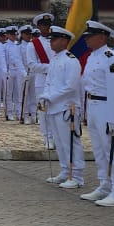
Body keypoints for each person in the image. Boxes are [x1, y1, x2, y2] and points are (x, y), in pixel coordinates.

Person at [78, 20, 114, 208]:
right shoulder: (92, 57)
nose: (87, 40)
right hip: (93, 105)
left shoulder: (111, 58)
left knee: (112, 150)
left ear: (101, 37)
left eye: (90, 36)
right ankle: (104, 185)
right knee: (99, 149)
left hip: (106, 106)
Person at [37, 26, 85, 189]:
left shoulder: (71, 60)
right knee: (59, 141)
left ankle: (77, 176)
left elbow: (70, 87)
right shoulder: (55, 59)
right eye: (51, 39)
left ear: (64, 41)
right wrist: (44, 96)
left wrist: (50, 97)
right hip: (53, 107)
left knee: (70, 142)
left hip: (67, 108)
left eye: (55, 39)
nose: (51, 42)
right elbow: (49, 82)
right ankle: (65, 171)